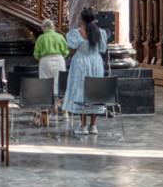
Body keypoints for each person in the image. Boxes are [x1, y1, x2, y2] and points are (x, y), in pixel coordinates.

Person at [63, 8, 109, 136]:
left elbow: (71, 50)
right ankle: (93, 126)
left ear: (81, 19)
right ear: (94, 19)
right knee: (94, 91)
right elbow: (102, 48)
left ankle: (82, 126)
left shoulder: (76, 33)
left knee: (81, 90)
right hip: (96, 61)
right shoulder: (100, 32)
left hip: (81, 62)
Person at [32, 18, 69, 127]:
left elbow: (36, 54)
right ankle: (65, 112)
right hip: (59, 60)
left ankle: (54, 113)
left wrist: (43, 59)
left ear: (43, 28)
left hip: (45, 61)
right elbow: (65, 52)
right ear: (53, 27)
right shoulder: (60, 36)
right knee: (61, 86)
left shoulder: (41, 38)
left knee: (48, 86)